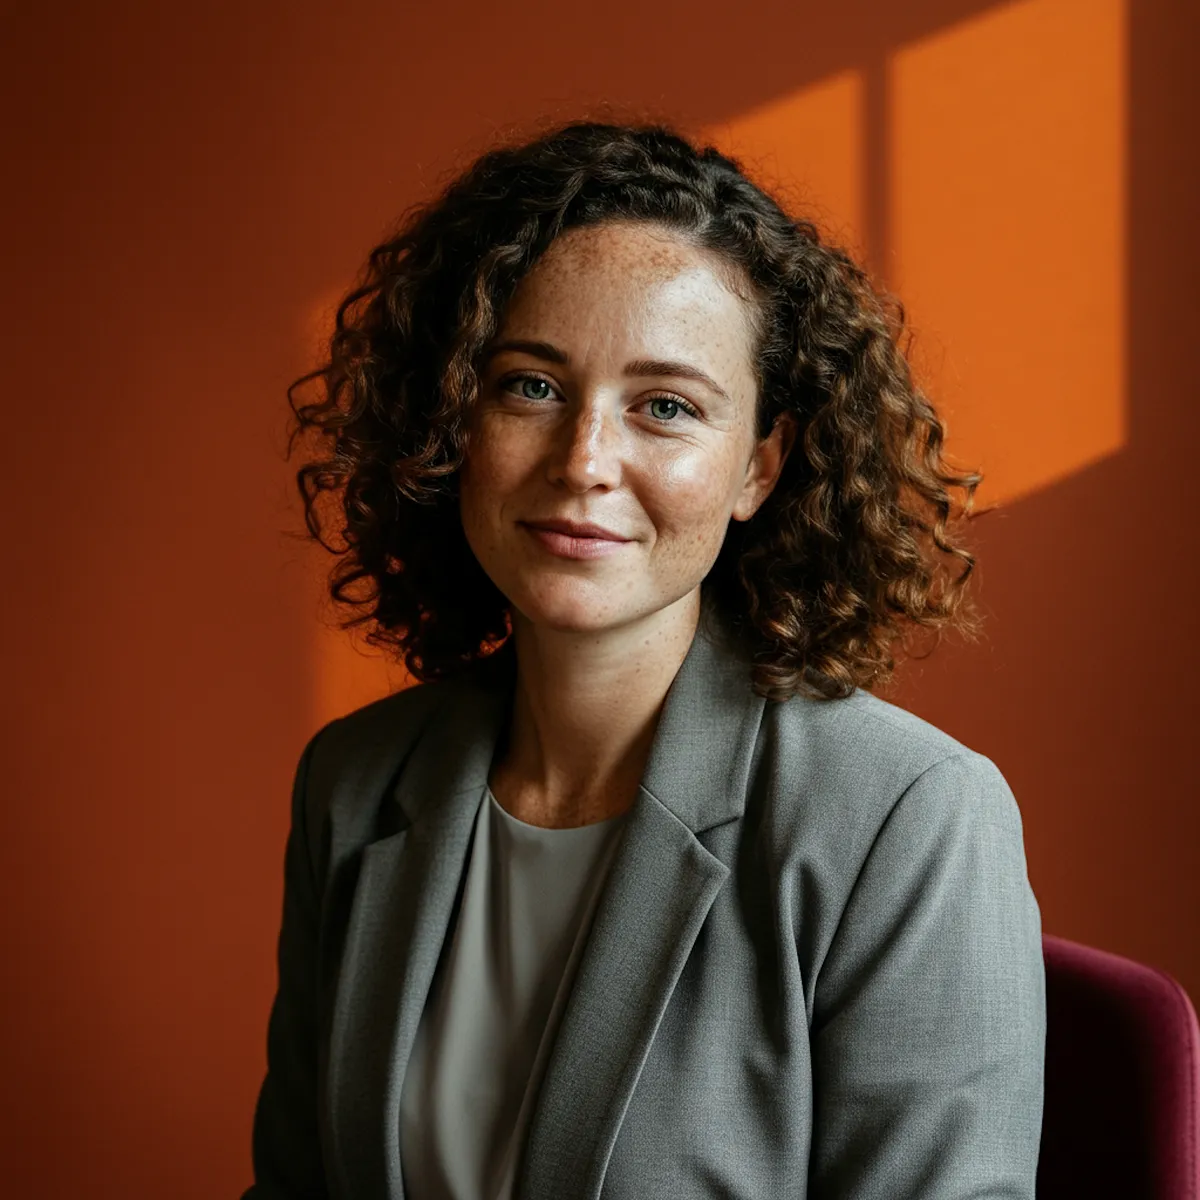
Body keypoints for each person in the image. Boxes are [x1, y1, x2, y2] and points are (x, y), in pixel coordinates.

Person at [244, 119, 1045, 1200]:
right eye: (529, 385)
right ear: (452, 418)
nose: (584, 462)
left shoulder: (909, 817)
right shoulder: (356, 781)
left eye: (665, 407)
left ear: (761, 467)